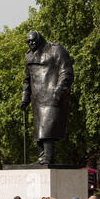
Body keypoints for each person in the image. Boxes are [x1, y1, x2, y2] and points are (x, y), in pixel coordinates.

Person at [20, 31, 74, 164]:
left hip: (52, 94)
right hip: (37, 97)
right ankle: (42, 157)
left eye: (33, 41)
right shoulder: (29, 56)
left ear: (39, 39)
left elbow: (66, 71)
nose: (31, 44)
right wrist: (25, 98)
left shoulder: (55, 49)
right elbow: (27, 79)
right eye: (28, 42)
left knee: (47, 127)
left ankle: (48, 157)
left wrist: (59, 90)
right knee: (39, 128)